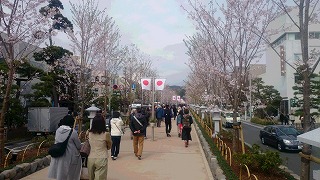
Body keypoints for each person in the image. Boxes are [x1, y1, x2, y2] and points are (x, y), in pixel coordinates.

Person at [48, 113, 82, 180]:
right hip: (69, 158)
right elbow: (79, 146)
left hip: (59, 155)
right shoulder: (73, 132)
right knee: (69, 175)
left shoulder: (58, 131)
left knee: (60, 175)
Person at [87, 114, 112, 180]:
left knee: (90, 178)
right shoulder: (106, 134)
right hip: (102, 158)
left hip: (91, 157)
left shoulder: (88, 133)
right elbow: (109, 146)